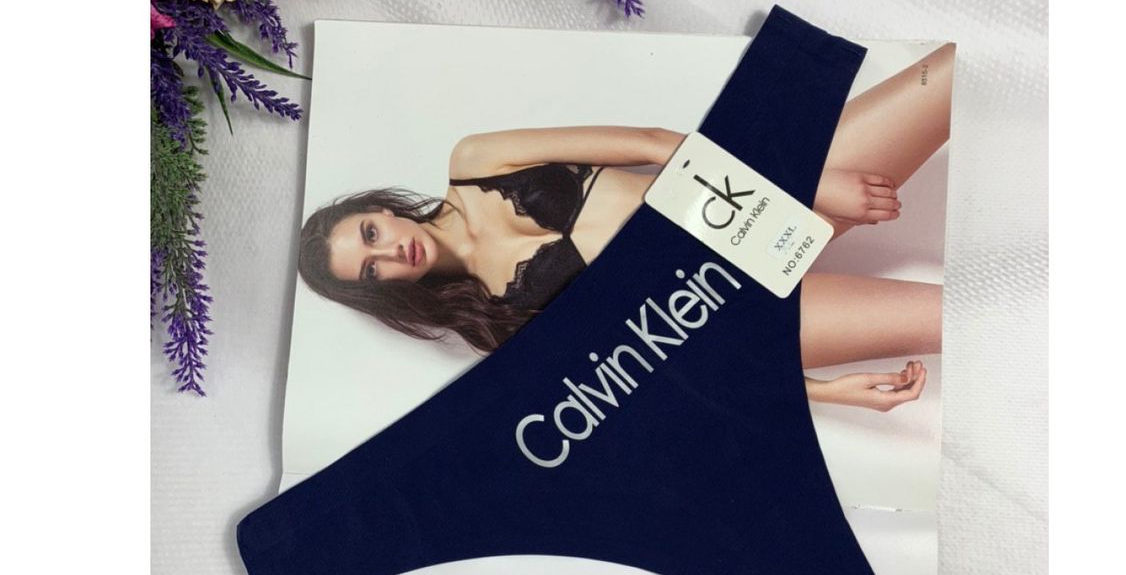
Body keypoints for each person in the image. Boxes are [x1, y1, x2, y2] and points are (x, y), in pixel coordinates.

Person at [297, 45, 954, 411]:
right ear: (381, 290)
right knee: (957, 320)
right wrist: (833, 394)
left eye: (371, 234)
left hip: (745, 201)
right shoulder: (491, 323)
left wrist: (807, 184)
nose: (392, 252)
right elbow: (658, 363)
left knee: (949, 74)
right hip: (730, 310)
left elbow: (650, 142)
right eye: (372, 269)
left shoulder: (474, 162)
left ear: (380, 210)